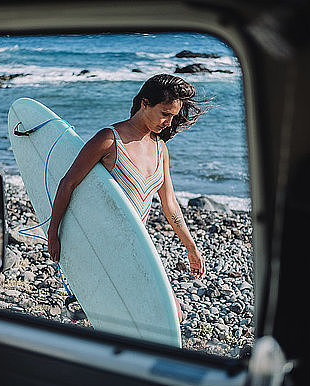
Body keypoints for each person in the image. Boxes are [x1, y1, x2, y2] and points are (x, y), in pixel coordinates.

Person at [47, 74, 207, 322]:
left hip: (136, 245)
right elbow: (68, 183)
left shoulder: (160, 149)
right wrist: (53, 232)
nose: (168, 122)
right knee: (155, 314)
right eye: (165, 113)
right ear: (145, 103)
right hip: (104, 246)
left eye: (173, 116)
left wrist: (191, 246)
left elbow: (170, 205)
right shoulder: (109, 140)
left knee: (172, 314)